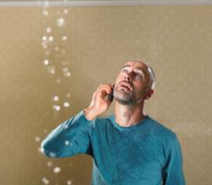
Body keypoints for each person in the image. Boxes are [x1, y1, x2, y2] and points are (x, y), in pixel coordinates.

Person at [41, 59, 186, 185]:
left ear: (148, 93)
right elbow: (50, 149)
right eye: (124, 70)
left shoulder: (166, 140)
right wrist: (92, 110)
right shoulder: (95, 129)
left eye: (138, 75)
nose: (127, 76)